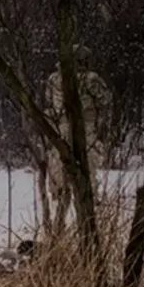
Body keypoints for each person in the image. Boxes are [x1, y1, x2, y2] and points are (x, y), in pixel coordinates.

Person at [43, 43, 113, 232]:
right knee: (85, 179)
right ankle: (87, 226)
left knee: (62, 181)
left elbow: (49, 103)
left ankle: (59, 224)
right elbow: (106, 100)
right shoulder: (91, 79)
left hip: (60, 134)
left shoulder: (53, 79)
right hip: (85, 133)